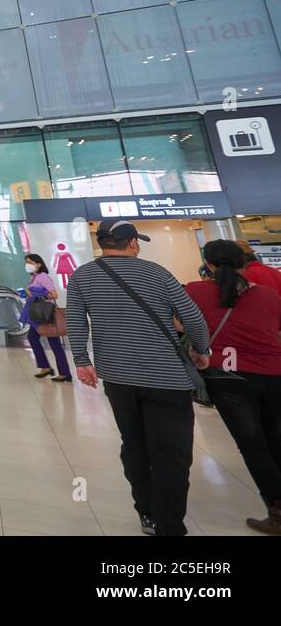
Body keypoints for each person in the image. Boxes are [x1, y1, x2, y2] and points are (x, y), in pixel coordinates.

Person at [66, 220, 210, 536]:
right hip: (167, 379)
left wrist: (82, 361)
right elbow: (192, 317)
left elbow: (76, 322)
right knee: (171, 452)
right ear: (133, 243)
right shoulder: (157, 273)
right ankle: (170, 524)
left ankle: (147, 513)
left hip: (118, 379)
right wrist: (202, 350)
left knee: (134, 444)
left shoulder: (81, 277)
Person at [184, 240, 281, 535]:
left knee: (253, 446)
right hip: (274, 373)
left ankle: (277, 511)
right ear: (243, 262)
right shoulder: (267, 294)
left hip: (228, 377)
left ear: (208, 264)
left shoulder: (195, 291)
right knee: (276, 440)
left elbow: (181, 325)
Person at [22, 254, 71, 382]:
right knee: (32, 337)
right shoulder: (34, 278)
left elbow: (54, 294)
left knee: (53, 342)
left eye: (30, 262)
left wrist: (37, 294)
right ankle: (45, 367)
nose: (27, 264)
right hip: (37, 315)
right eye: (26, 262)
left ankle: (64, 372)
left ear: (38, 264)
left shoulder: (43, 277)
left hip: (45, 315)